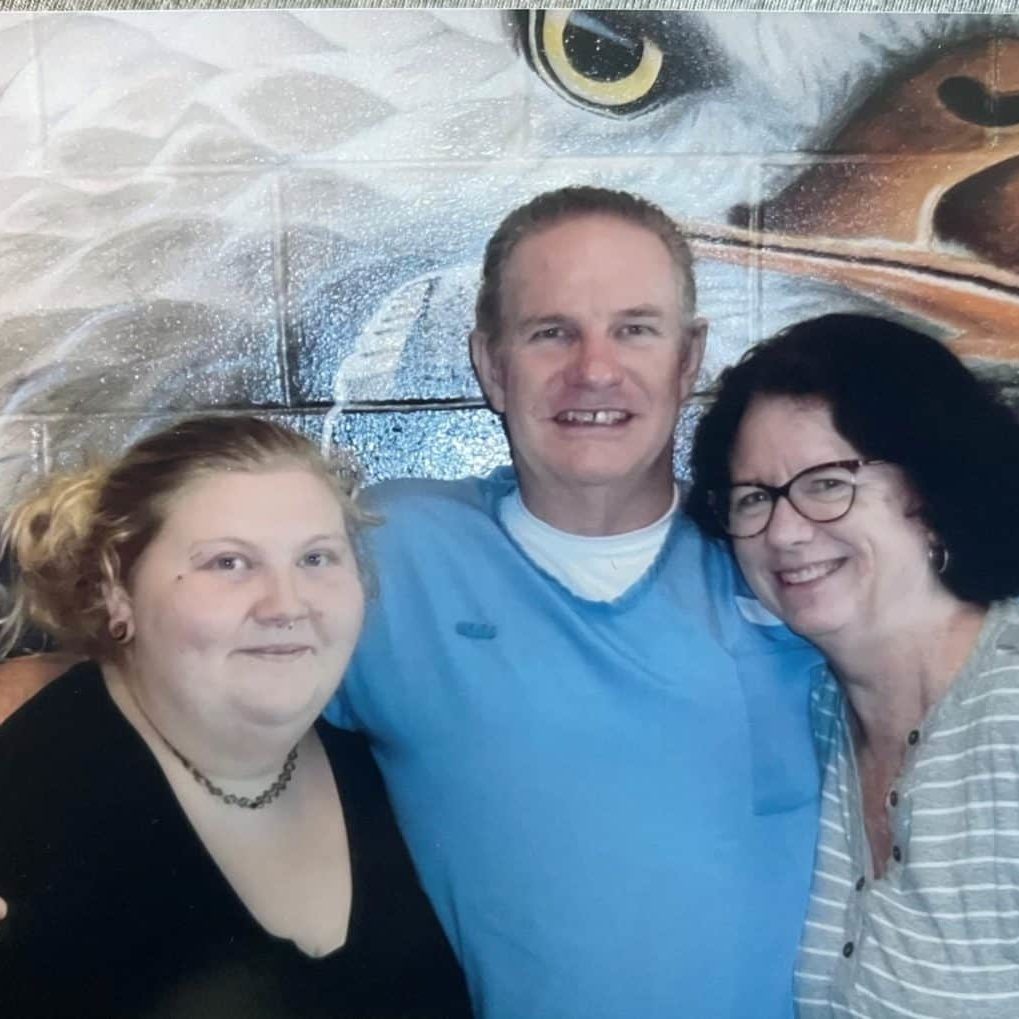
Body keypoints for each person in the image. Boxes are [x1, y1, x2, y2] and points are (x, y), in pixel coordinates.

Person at [324, 187, 824, 1018]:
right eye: (550, 331)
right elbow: (186, 683)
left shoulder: (787, 555)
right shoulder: (392, 553)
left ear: (688, 358)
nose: (594, 367)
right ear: (490, 363)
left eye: (635, 328)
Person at [0, 416, 471, 1019]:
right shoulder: (24, 806)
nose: (286, 604)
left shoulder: (383, 769)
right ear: (119, 589)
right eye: (228, 563)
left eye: (317, 558)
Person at [686, 313, 1019, 1018]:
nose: (782, 529)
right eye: (753, 497)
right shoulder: (811, 714)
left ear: (926, 491)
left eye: (824, 482)